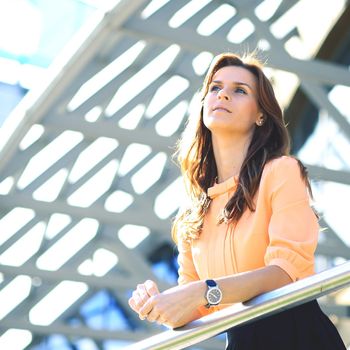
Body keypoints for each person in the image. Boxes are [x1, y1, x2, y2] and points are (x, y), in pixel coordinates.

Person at [128, 52, 346, 349]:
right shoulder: (194, 213)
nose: (223, 95)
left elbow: (285, 272)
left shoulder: (281, 172)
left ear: (261, 115)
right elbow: (192, 309)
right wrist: (158, 303)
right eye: (215, 88)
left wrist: (207, 290)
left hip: (299, 336)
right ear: (204, 105)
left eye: (239, 90)